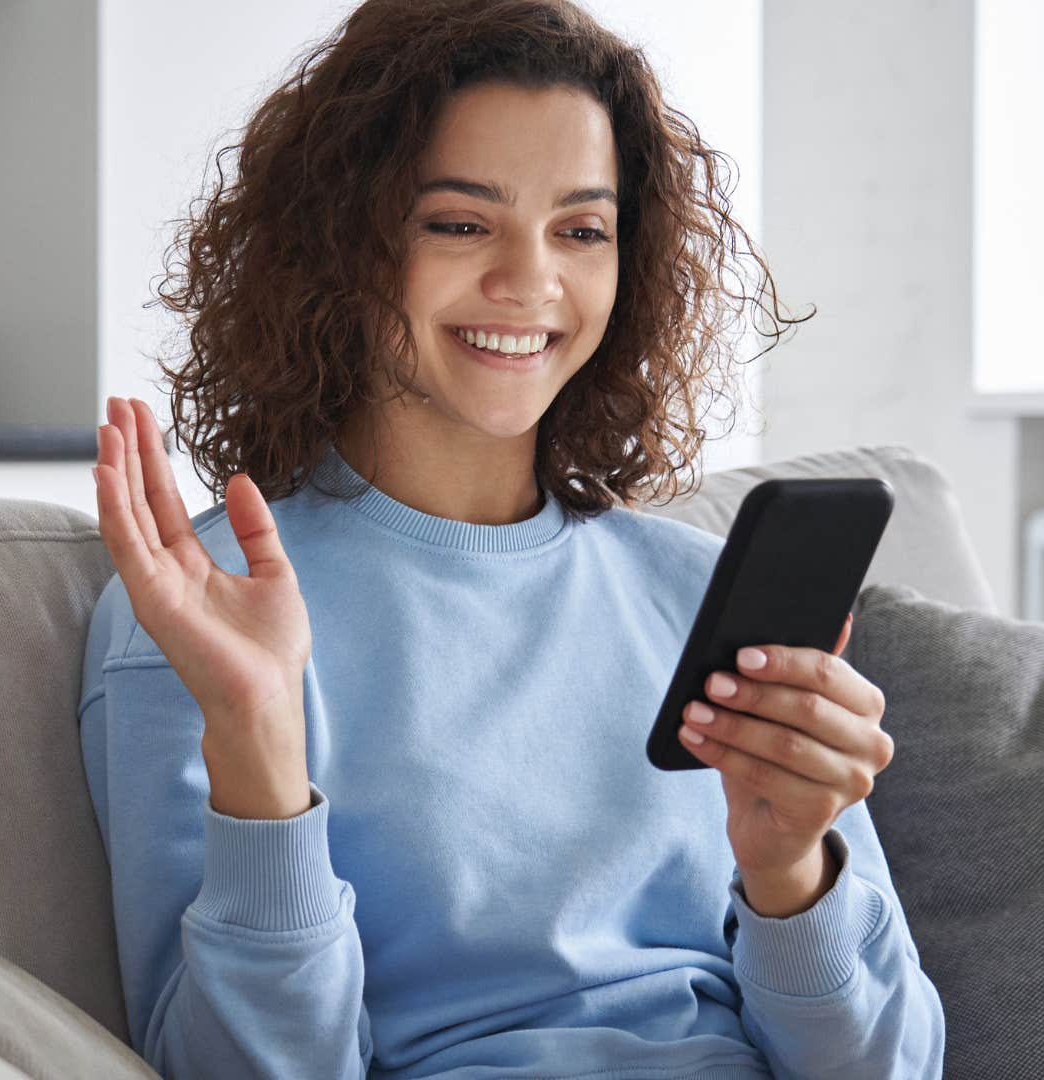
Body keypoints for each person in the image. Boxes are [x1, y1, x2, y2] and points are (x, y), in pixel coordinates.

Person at [78, 1, 945, 1076]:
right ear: (341, 246)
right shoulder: (203, 613)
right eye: (459, 222)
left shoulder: (697, 592)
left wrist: (790, 876)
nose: (530, 282)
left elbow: (891, 1066)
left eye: (582, 230)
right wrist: (258, 749)